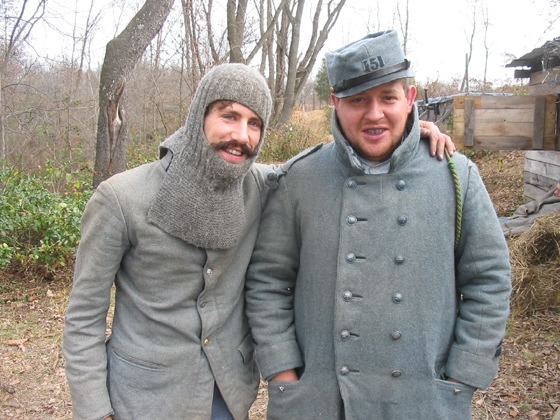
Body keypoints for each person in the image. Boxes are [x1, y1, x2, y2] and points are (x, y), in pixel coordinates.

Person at [63, 62, 454, 419]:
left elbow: (318, 165)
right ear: (200, 114)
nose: (241, 136)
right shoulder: (120, 198)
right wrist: (96, 411)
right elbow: (83, 319)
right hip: (142, 398)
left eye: (254, 124)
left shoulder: (260, 184)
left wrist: (405, 134)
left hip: (229, 395)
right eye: (229, 116)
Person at [245, 30, 512, 419]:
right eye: (357, 101)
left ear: (410, 98)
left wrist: (463, 372)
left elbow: (489, 278)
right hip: (318, 399)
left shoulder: (457, 175)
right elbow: (268, 281)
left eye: (388, 97)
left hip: (424, 398)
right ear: (335, 103)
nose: (374, 114)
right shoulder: (300, 178)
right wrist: (284, 371)